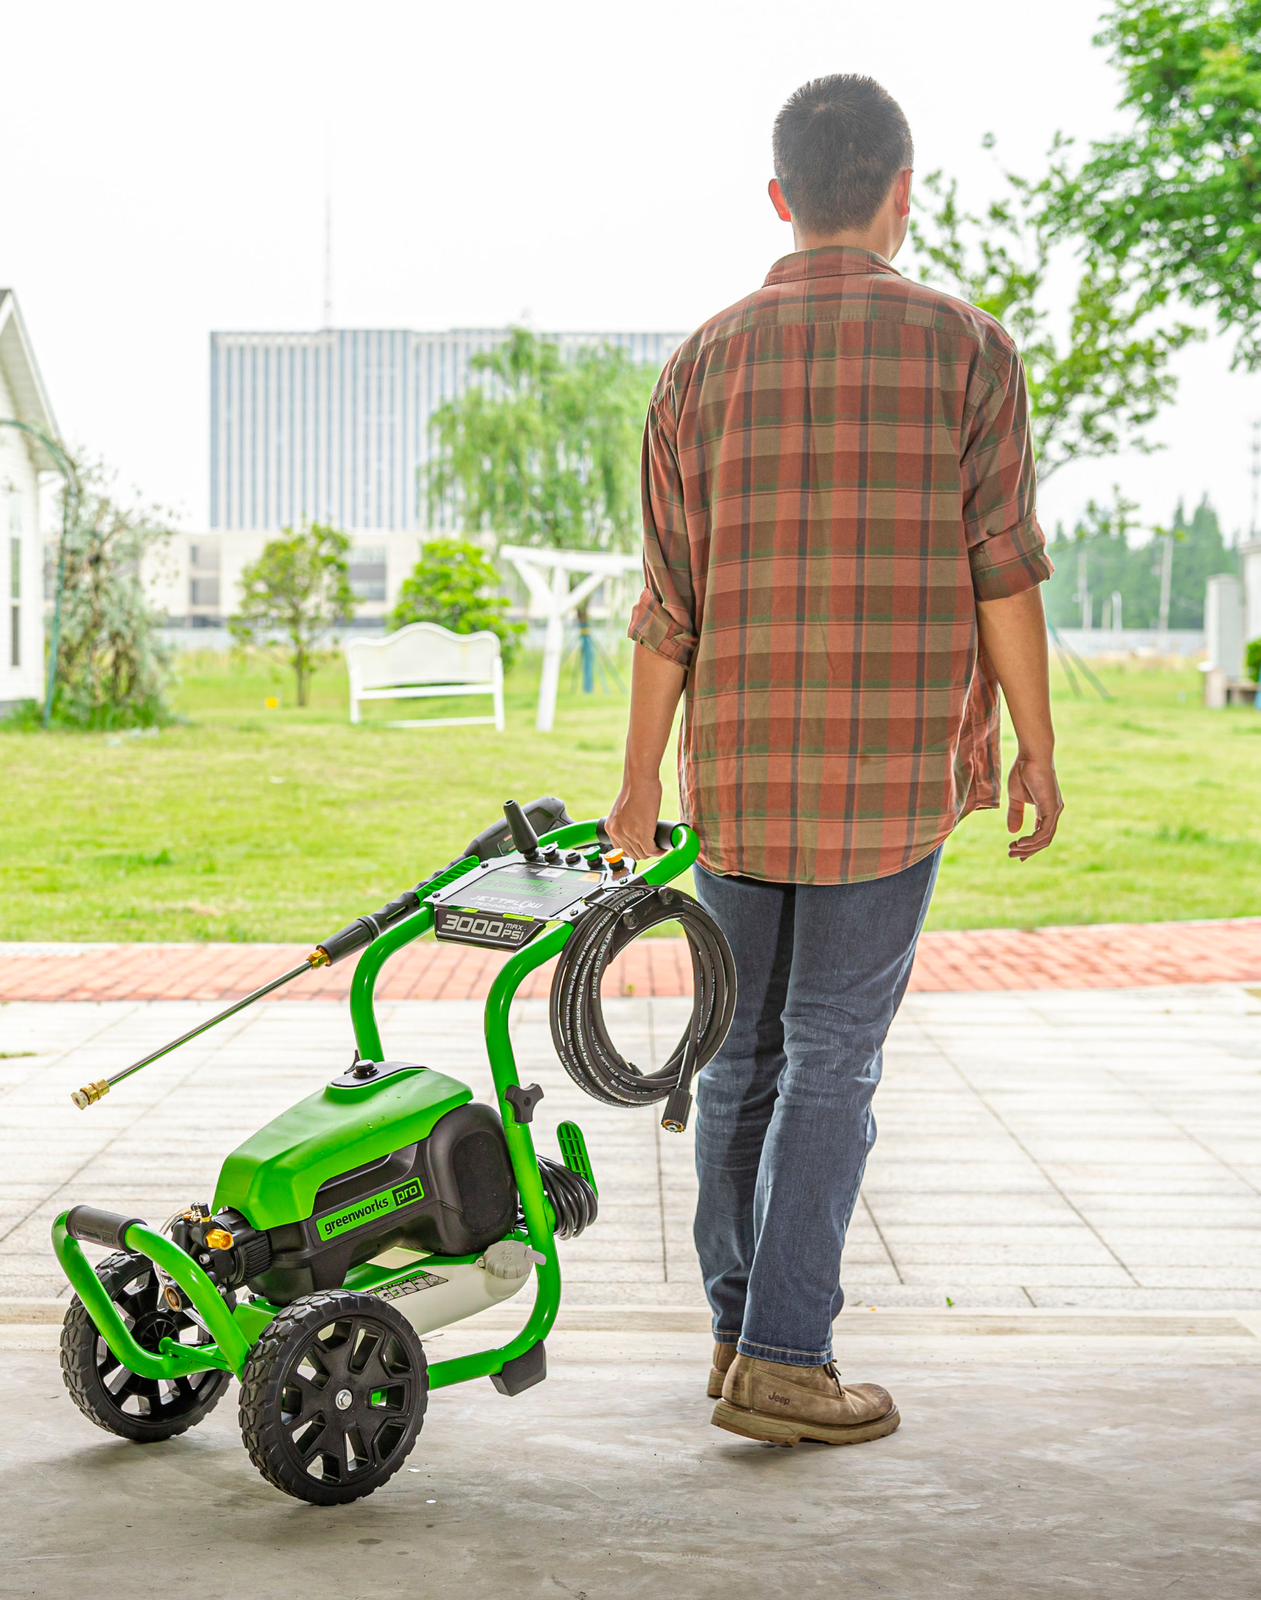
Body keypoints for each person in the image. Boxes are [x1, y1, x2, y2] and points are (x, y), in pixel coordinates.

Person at [604, 74, 1061, 1447]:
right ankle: (789, 1358)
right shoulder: (969, 352)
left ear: (781, 195)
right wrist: (1037, 743)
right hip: (889, 773)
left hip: (739, 773)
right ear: (903, 192)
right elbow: (1003, 571)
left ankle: (743, 1337)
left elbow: (666, 605)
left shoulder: (700, 364)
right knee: (835, 1056)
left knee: (740, 1055)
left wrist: (638, 781)